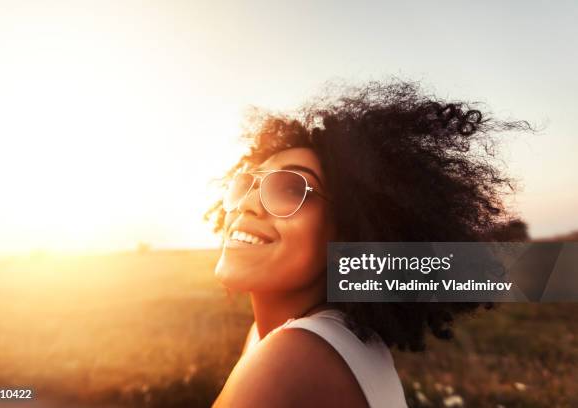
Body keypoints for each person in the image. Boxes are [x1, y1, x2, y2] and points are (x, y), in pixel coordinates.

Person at [206, 80, 529, 407]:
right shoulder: (305, 339)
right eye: (247, 183)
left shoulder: (295, 354)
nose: (248, 203)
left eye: (290, 188)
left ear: (349, 231)